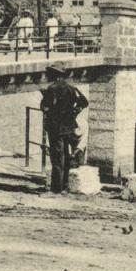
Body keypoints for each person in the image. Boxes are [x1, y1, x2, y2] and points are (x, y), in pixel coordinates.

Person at [40, 65, 83, 194]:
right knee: (65, 155)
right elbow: (83, 102)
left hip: (56, 127)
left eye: (50, 74)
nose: (48, 76)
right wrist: (73, 112)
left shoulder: (52, 88)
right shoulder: (71, 88)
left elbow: (46, 107)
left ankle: (55, 189)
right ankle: (64, 186)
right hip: (68, 126)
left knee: (57, 157)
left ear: (55, 75)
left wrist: (44, 97)